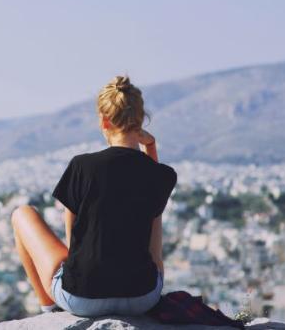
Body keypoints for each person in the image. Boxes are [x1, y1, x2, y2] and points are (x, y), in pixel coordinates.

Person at [10, 75, 178, 317]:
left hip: (81, 299)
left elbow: (72, 244)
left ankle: (49, 308)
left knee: (21, 214)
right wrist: (150, 148)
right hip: (143, 298)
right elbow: (152, 188)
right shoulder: (162, 175)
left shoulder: (82, 167)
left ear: (104, 121)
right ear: (141, 121)